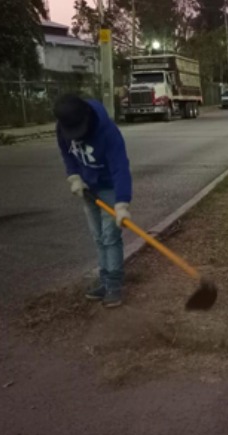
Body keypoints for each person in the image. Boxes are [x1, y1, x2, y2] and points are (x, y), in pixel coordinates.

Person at [54, 94, 133, 308]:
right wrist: (75, 176)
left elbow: (120, 168)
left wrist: (122, 203)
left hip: (109, 188)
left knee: (110, 237)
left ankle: (114, 285)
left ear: (87, 118)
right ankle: (106, 281)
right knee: (98, 237)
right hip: (88, 187)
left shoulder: (107, 132)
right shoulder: (63, 126)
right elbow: (67, 153)